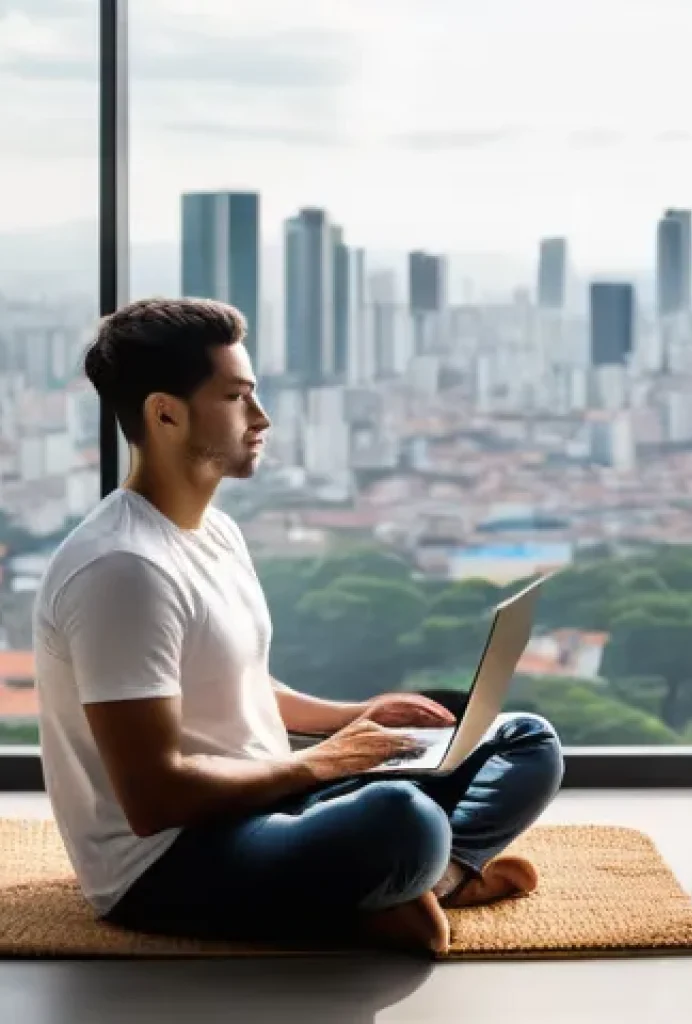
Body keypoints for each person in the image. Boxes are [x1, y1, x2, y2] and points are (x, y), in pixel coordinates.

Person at [31, 297, 565, 955]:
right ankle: (409, 880)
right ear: (165, 413)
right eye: (236, 397)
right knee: (402, 819)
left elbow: (237, 682)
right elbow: (154, 798)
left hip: (270, 797)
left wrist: (355, 717)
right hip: (171, 859)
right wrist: (318, 764)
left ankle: (436, 881)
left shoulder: (214, 532)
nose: (261, 418)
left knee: (524, 740)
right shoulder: (122, 568)